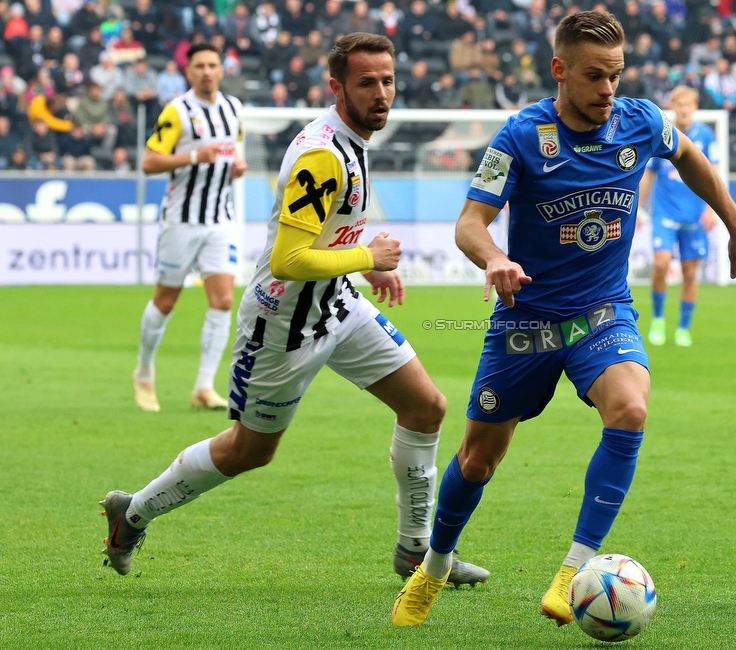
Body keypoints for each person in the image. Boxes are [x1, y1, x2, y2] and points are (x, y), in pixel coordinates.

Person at [391, 11, 736, 627]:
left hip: (601, 313)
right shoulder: (518, 137)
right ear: (560, 70)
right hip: (526, 322)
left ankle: (574, 571)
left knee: (632, 409)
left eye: (615, 75)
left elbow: (691, 157)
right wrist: (495, 259)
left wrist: (735, 221)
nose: (607, 90)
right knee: (479, 459)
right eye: (594, 77)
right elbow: (468, 223)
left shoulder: (640, 121)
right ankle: (433, 564)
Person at [100, 32, 490, 590]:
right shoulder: (323, 157)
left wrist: (363, 269)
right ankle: (132, 512)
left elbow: (321, 239)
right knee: (249, 450)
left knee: (426, 406)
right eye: (367, 83)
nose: (382, 94)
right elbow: (286, 260)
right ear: (336, 87)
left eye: (388, 81)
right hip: (283, 323)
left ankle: (416, 552)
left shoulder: (351, 139)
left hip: (336, 304)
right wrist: (368, 255)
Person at [132, 43, 247, 413]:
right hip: (181, 219)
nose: (207, 71)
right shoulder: (177, 111)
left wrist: (235, 168)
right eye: (199, 66)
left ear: (222, 69)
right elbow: (149, 162)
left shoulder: (234, 109)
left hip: (220, 219)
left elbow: (234, 153)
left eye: (213, 64)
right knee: (165, 301)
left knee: (224, 300)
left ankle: (204, 385)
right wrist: (195, 155)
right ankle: (144, 371)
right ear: (188, 72)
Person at [639, 86, 718, 348]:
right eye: (679, 104)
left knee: (690, 273)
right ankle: (659, 319)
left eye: (688, 104)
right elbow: (648, 174)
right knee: (661, 264)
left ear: (695, 107)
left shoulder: (705, 135)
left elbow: (713, 173)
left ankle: (683, 327)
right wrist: (637, 208)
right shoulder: (663, 134)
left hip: (694, 215)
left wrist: (711, 209)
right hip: (665, 213)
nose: (684, 109)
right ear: (672, 107)